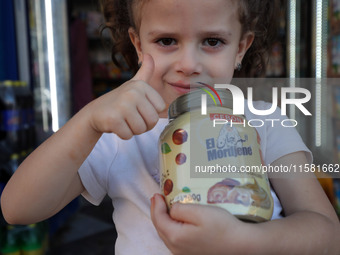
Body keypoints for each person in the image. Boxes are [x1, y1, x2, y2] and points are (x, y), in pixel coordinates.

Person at [1, 0, 340, 254]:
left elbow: (327, 233)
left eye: (212, 42)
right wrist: (87, 122)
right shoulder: (121, 133)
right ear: (138, 45)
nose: (189, 65)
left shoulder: (265, 122)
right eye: (166, 41)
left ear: (240, 48)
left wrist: (245, 241)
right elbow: (18, 208)